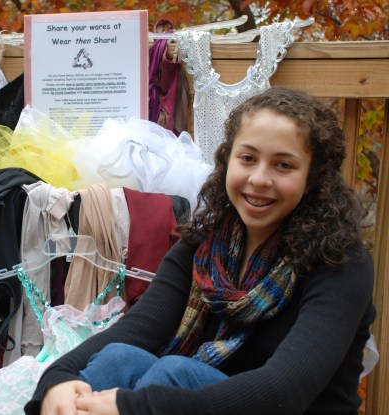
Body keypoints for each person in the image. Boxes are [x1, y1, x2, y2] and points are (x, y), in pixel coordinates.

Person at [24, 87, 376, 415]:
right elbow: (136, 330)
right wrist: (58, 378)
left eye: (283, 165)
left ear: (313, 179)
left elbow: (284, 390)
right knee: (119, 358)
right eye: (248, 158)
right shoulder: (203, 249)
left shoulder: (340, 264)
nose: (259, 179)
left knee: (174, 373)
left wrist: (134, 407)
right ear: (227, 161)